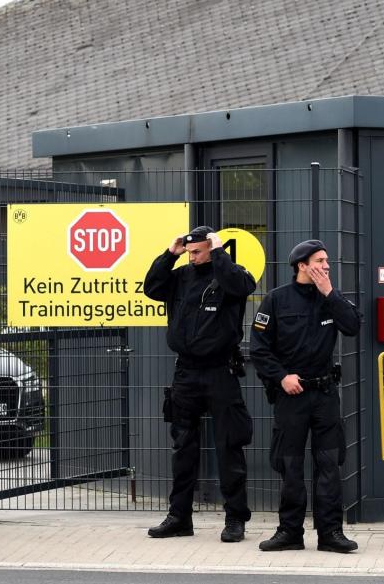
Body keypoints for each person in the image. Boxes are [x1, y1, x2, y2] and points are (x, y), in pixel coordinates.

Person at [144, 226, 256, 543]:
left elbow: (240, 285)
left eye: (198, 251)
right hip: (186, 374)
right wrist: (170, 254)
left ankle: (235, 519)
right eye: (189, 252)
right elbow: (151, 287)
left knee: (229, 447)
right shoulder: (180, 277)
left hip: (221, 371)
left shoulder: (232, 275)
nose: (192, 257)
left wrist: (219, 253)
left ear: (212, 248)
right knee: (183, 448)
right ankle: (179, 518)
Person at [251, 239, 361, 554]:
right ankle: (289, 532)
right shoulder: (276, 300)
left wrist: (329, 292)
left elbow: (353, 326)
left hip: (325, 393)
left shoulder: (332, 298)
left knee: (329, 465)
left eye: (327, 260)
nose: (327, 266)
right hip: (291, 396)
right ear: (302, 265)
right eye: (320, 261)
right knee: (290, 466)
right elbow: (258, 348)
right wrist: (281, 376)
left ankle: (330, 534)